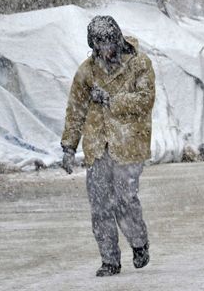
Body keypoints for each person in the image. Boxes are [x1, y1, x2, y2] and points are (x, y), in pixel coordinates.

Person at [60, 15, 156, 277]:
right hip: (97, 147)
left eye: (108, 43)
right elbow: (75, 110)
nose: (104, 50)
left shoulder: (139, 64)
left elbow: (145, 100)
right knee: (100, 206)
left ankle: (138, 243)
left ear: (117, 39)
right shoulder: (87, 71)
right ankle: (110, 260)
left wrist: (112, 99)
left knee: (125, 200)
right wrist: (69, 146)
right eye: (98, 44)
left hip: (129, 144)